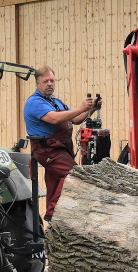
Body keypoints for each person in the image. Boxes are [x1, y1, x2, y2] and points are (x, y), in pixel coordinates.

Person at [24, 65, 98, 223]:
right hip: (48, 149)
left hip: (61, 149)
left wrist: (90, 110)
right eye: (45, 81)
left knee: (55, 182)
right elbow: (55, 119)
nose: (50, 83)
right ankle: (53, 214)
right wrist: (80, 107)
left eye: (52, 80)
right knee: (73, 175)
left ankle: (53, 220)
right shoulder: (34, 102)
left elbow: (76, 119)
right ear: (37, 83)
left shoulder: (56, 102)